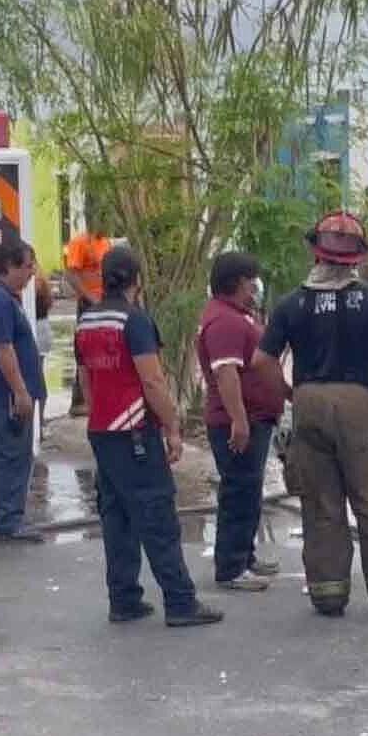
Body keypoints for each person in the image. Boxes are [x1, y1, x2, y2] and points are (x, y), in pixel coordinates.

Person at [252, 211, 368, 618]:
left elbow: (261, 362)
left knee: (321, 501)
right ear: (358, 257)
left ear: (313, 251)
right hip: (359, 400)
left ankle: (328, 593)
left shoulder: (291, 304)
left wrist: (291, 394)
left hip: (309, 400)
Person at [76, 246, 222, 626]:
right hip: (135, 434)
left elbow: (85, 379)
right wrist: (172, 426)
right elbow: (153, 381)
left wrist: (98, 417)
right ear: (137, 280)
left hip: (103, 432)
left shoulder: (87, 320)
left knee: (117, 517)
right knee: (156, 516)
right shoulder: (134, 321)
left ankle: (123, 599)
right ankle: (180, 602)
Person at [196, 252, 283, 592]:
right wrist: (239, 421)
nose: (255, 287)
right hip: (237, 421)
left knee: (248, 491)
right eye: (251, 281)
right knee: (238, 492)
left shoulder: (236, 316)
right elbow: (226, 372)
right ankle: (231, 567)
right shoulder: (225, 322)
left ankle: (244, 557)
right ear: (236, 283)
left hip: (254, 418)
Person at [0, 240, 47, 544]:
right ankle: (9, 519)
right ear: (11, 266)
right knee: (11, 455)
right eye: (28, 266)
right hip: (7, 397)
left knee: (11, 453)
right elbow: (4, 350)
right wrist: (20, 392)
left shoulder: (4, 298)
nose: (33, 273)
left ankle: (10, 516)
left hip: (10, 394)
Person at [62, 226, 113, 417]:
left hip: (106, 302)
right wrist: (90, 297)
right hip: (89, 303)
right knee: (85, 351)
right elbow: (71, 274)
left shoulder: (105, 242)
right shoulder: (80, 242)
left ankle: (99, 396)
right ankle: (80, 400)